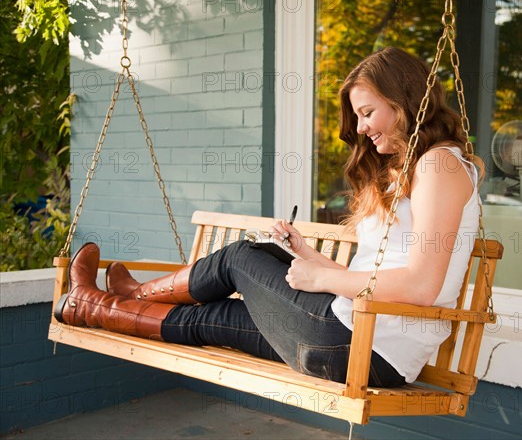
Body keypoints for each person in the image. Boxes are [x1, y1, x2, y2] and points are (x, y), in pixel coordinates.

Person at [55, 47, 482, 388]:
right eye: (357, 116)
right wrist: (310, 259)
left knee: (238, 257)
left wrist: (323, 280)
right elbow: (379, 275)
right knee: (214, 316)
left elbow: (422, 286)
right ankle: (96, 306)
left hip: (363, 347)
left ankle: (131, 297)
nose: (361, 127)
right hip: (357, 342)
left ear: (403, 100)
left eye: (367, 112)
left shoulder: (439, 166)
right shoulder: (418, 169)